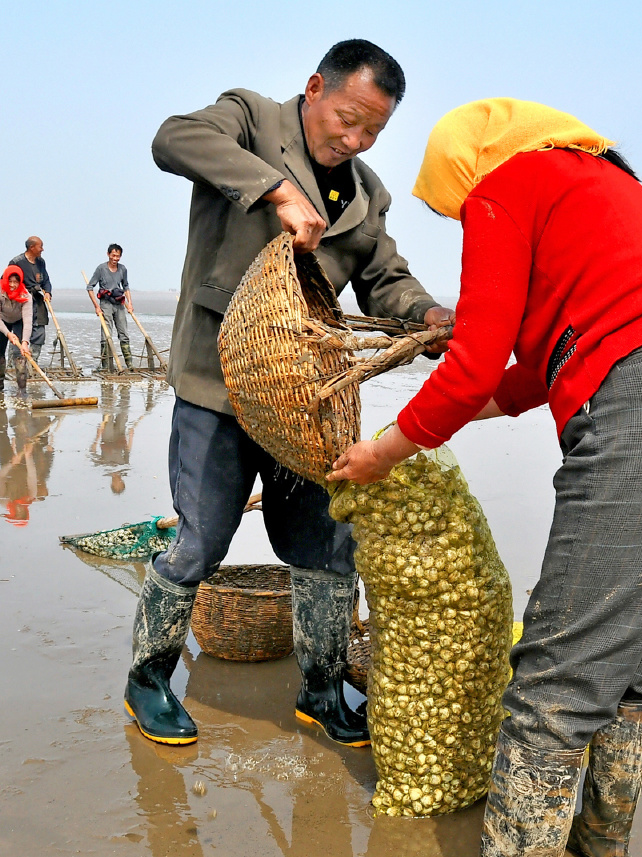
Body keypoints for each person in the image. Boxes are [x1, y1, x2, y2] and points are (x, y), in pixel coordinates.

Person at [328, 99, 642, 856]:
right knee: (633, 674)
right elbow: (533, 371)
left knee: (552, 688)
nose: (466, 219)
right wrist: (446, 421)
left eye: (457, 208)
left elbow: (471, 367)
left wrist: (386, 451)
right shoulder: (595, 181)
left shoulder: (507, 182)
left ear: (467, 164)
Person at [126, 38, 455, 748]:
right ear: (315, 88)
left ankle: (321, 690)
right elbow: (172, 138)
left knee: (328, 548)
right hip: (218, 381)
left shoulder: (367, 195)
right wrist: (276, 191)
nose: (355, 138)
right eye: (347, 117)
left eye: (373, 130)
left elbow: (384, 277)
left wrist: (427, 315)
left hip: (304, 401)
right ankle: (147, 678)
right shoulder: (249, 120)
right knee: (201, 541)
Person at [86, 243, 134, 372]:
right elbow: (90, 287)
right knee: (106, 334)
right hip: (105, 304)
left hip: (119, 303)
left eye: (118, 256)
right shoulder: (101, 269)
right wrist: (96, 306)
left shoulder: (123, 269)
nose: (115, 258)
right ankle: (106, 365)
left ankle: (129, 364)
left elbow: (126, 286)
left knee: (123, 333)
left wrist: (130, 304)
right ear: (108, 255)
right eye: (113, 255)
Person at [0, 265, 33, 393]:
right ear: (5, 280)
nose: (13, 285)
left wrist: (25, 342)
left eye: (16, 282)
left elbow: (28, 320)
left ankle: (22, 389)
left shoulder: (25, 295)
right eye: (10, 281)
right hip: (2, 320)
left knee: (19, 354)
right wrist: (8, 333)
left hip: (19, 321)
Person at [9, 237, 52, 361]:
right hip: (20, 302)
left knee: (39, 332)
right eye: (40, 246)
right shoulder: (16, 262)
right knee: (19, 332)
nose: (42, 249)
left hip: (37, 302)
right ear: (32, 247)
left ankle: (33, 362)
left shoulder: (41, 262)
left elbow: (46, 280)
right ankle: (14, 364)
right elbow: (7, 281)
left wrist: (48, 292)